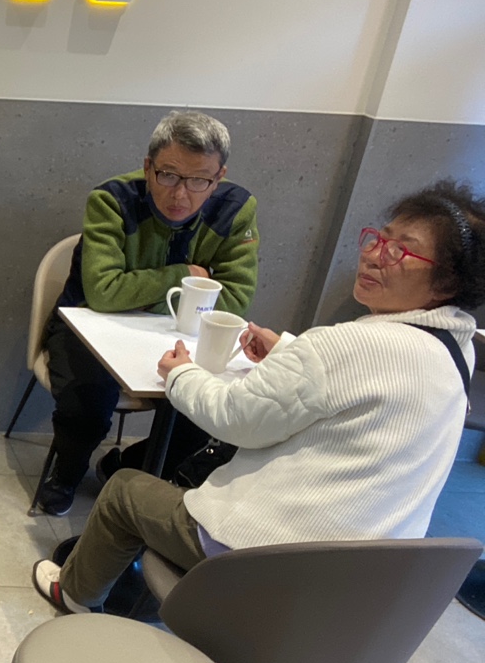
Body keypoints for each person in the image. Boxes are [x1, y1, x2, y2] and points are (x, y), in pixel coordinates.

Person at [33, 180, 483, 615]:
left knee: (125, 492)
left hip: (266, 559)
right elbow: (366, 381)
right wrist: (289, 352)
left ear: (447, 283)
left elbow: (234, 418)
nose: (373, 256)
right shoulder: (458, 351)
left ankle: (75, 594)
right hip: (358, 584)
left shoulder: (340, 343)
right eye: (378, 239)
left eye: (400, 250)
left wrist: (180, 373)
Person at [35, 110, 259, 516]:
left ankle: (129, 467)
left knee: (211, 402)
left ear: (219, 177)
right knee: (89, 399)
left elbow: (235, 300)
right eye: (168, 175)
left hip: (179, 336)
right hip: (85, 324)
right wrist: (187, 276)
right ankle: (65, 473)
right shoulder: (112, 199)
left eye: (199, 181)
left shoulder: (236, 209)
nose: (181, 195)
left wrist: (138, 292)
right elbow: (103, 293)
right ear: (148, 166)